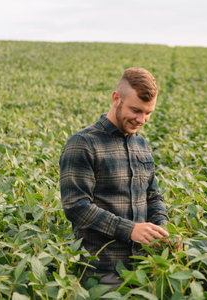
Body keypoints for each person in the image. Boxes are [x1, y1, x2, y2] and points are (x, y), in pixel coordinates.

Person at [59, 67, 170, 288]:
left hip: (143, 266)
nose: (142, 119)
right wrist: (131, 230)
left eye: (149, 112)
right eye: (136, 110)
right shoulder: (83, 143)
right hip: (100, 270)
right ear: (116, 98)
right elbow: (76, 207)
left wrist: (161, 229)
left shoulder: (143, 145)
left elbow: (153, 196)